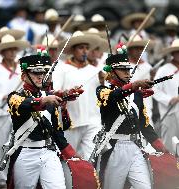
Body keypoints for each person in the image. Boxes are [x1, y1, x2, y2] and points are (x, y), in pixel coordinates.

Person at [96, 44, 168, 189]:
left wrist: (160, 146)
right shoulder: (103, 90)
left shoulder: (136, 94)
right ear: (112, 72)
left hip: (135, 147)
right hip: (114, 148)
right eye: (123, 70)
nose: (127, 73)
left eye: (128, 69)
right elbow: (113, 97)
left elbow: (144, 124)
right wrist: (133, 86)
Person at [7, 51, 79, 189]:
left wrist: (70, 152)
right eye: (35, 73)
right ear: (24, 76)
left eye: (42, 73)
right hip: (25, 152)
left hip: (48, 151)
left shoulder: (49, 96)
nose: (40, 76)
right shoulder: (14, 96)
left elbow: (57, 130)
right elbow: (24, 104)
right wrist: (44, 100)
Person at [0, 33, 30, 188]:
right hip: (1, 113)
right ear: (2, 51)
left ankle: (16, 176)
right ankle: (0, 179)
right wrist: (3, 97)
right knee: (0, 146)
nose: (12, 52)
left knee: (20, 145)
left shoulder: (22, 69)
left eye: (14, 49)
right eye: (8, 49)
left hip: (19, 114)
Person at [53, 31, 103, 160]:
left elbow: (106, 91)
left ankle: (91, 180)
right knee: (69, 159)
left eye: (87, 48)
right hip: (71, 122)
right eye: (81, 48)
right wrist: (66, 93)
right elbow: (54, 92)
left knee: (91, 158)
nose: (85, 51)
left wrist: (105, 80)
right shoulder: (62, 69)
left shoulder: (96, 71)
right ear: (72, 50)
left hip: (93, 121)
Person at [153, 39, 179, 154]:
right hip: (170, 113)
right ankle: (170, 171)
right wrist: (169, 100)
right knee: (169, 145)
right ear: (172, 53)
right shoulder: (164, 70)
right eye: (177, 51)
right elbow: (154, 88)